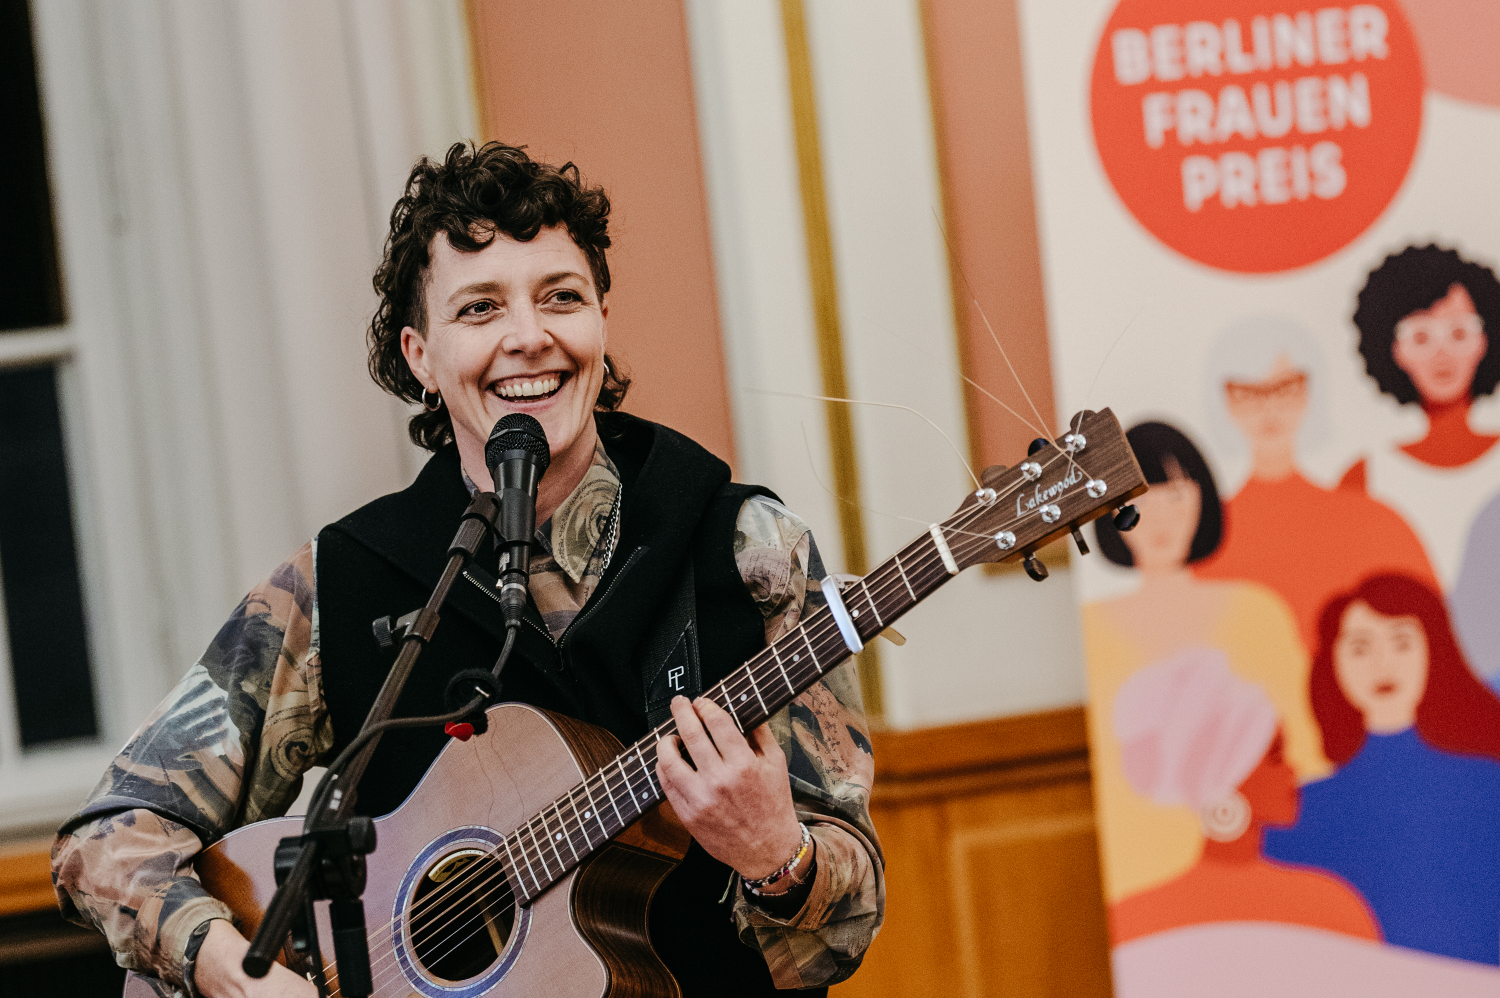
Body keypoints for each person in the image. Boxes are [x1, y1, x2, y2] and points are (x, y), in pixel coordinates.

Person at [50, 142, 883, 997]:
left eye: (562, 297)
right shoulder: (340, 582)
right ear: (420, 355)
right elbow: (108, 837)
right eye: (480, 308)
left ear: (601, 321)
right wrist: (225, 965)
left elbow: (843, 936)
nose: (530, 337)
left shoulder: (746, 545)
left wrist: (778, 858)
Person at [1085, 421, 1328, 904]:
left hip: (1264, 852)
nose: (1159, 518)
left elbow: (1304, 746)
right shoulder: (1092, 628)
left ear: (1204, 499)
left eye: (1175, 494)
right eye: (1137, 500)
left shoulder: (1257, 611)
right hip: (1138, 868)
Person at [1265, 574, 1500, 964]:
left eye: (1401, 642)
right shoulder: (1302, 811)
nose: (1381, 663)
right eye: (1359, 647)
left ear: (1433, 650)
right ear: (1333, 663)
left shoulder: (1485, 785)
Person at [1193, 318, 1438, 651]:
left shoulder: (1372, 522)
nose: (1268, 407)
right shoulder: (1203, 538)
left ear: (1311, 393)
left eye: (1285, 388)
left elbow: (1435, 638)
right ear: (1223, 401)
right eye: (1247, 393)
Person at [1109, 648, 1379, 946]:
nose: (1294, 768)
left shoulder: (1332, 906)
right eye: (1275, 754)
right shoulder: (1328, 907)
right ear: (1225, 777)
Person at [1340, 245, 1500, 587]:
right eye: (1421, 336)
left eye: (1459, 332)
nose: (1442, 354)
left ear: (1485, 341)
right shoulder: (1367, 478)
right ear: (1394, 351)